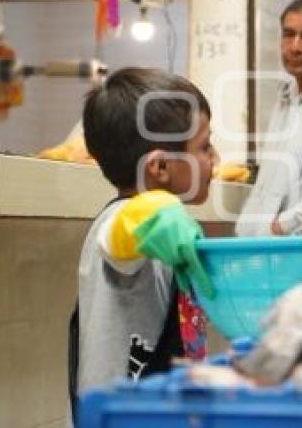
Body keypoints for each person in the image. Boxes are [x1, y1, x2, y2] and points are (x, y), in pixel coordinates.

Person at [70, 68, 218, 420]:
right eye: (205, 147)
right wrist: (157, 207)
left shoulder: (163, 230)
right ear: (160, 167)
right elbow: (123, 232)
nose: (215, 159)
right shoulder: (123, 222)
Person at [235, 0, 302, 236]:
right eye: (288, 34)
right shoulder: (285, 97)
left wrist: (283, 226)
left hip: (296, 247)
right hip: (259, 246)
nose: (295, 46)